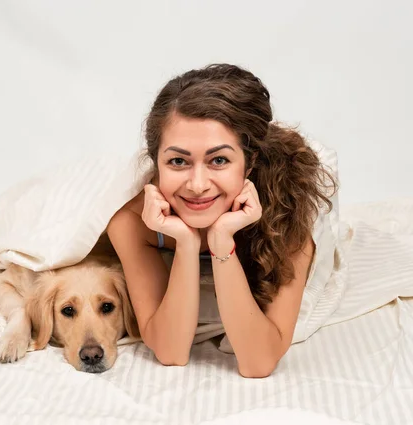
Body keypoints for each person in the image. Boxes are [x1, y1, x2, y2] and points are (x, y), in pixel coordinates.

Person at [106, 63, 337, 378]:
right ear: (156, 162)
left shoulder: (289, 208)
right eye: (177, 161)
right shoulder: (132, 222)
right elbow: (171, 351)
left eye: (219, 160)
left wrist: (221, 243)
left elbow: (259, 362)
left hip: (285, 182)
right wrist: (187, 243)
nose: (197, 184)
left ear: (249, 162)